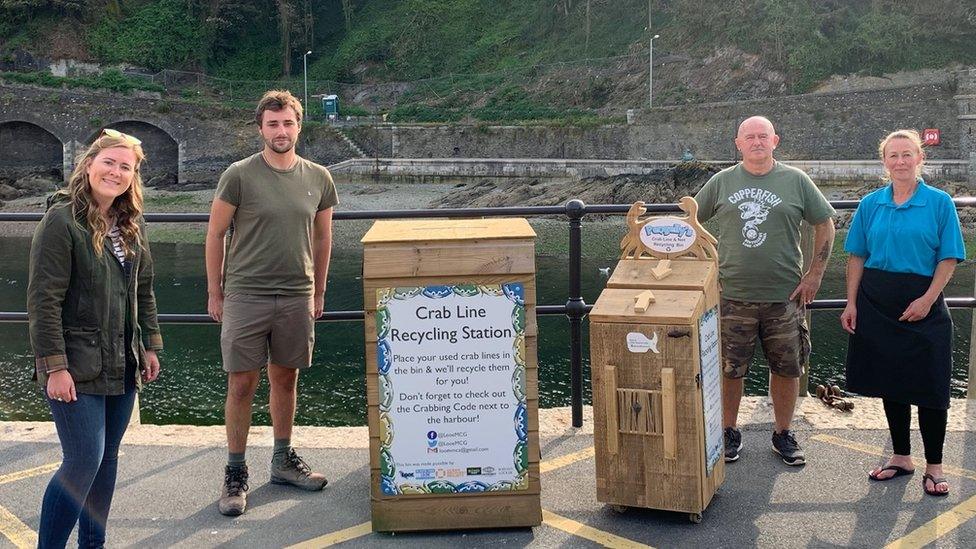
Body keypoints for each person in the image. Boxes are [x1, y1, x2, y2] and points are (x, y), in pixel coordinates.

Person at [27, 128, 163, 548]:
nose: (116, 172)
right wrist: (55, 366)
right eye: (109, 162)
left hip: (122, 361)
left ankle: (93, 544)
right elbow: (43, 300)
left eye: (126, 167)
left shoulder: (129, 224)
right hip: (76, 364)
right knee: (83, 459)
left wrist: (149, 344)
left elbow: (144, 289)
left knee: (106, 463)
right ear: (88, 165)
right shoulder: (61, 221)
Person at [207, 89, 339, 516]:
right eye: (272, 124)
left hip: (297, 293)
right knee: (242, 383)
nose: (281, 131)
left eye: (287, 123)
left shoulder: (318, 177)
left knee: (286, 379)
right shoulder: (239, 175)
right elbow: (215, 235)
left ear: (299, 126)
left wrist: (318, 289)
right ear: (260, 128)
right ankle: (235, 472)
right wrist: (216, 292)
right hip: (245, 293)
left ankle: (282, 460)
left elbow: (323, 237)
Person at [695, 115, 836, 466]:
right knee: (729, 369)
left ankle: (783, 432)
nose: (757, 142)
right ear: (738, 143)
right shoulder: (722, 182)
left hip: (785, 297)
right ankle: (728, 430)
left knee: (787, 369)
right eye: (750, 137)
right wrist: (706, 271)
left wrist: (815, 274)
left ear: (775, 141)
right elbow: (689, 223)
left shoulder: (796, 181)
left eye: (763, 136)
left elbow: (825, 224)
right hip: (731, 296)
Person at [841, 129, 964, 497]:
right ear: (884, 162)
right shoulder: (870, 204)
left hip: (923, 300)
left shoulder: (940, 202)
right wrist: (851, 302)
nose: (900, 161)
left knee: (930, 385)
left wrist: (928, 299)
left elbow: (948, 258)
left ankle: (935, 466)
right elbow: (857, 256)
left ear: (920, 159)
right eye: (893, 155)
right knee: (890, 383)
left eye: (907, 154)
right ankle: (901, 457)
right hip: (876, 300)